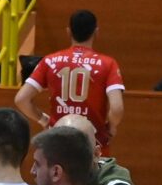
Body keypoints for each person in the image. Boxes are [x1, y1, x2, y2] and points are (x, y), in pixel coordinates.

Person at [15, 9, 125, 153]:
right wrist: (111, 126)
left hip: (57, 141)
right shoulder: (108, 64)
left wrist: (44, 120)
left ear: (68, 32)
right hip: (93, 143)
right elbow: (117, 108)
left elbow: (21, 99)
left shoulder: (49, 61)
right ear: (96, 32)